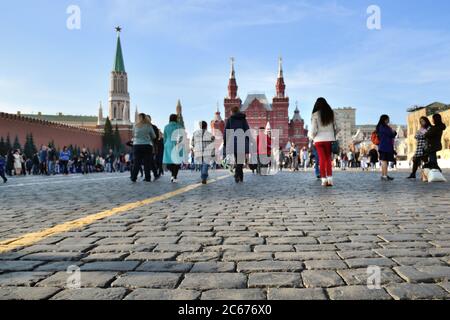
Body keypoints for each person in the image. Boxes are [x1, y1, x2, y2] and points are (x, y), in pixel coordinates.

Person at [309, 97, 336, 187]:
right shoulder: (331, 113)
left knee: (322, 159)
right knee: (328, 159)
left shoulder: (315, 114)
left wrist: (312, 137)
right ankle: (330, 180)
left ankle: (324, 180)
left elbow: (313, 129)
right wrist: (333, 134)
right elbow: (338, 126)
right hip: (329, 139)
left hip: (319, 140)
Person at [223, 106, 251, 183]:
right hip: (242, 141)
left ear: (232, 112)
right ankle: (240, 176)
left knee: (238, 160)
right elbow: (247, 130)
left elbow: (226, 132)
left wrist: (225, 142)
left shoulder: (230, 120)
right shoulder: (243, 119)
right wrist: (249, 140)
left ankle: (237, 175)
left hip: (233, 142)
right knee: (240, 161)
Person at [131, 113, 156, 183]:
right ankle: (148, 178)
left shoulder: (135, 126)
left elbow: (133, 135)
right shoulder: (148, 126)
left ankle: (133, 177)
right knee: (147, 163)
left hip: (137, 146)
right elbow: (154, 136)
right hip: (147, 146)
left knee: (136, 163)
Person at [163, 114, 185, 183]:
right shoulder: (179, 126)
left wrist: (165, 144)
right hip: (177, 144)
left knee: (169, 161)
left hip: (168, 144)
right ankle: (174, 175)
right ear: (176, 119)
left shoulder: (166, 127)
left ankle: (173, 175)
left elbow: (165, 137)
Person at [376, 115, 397, 181]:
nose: (389, 120)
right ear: (385, 119)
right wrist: (394, 132)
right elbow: (391, 134)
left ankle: (384, 175)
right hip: (385, 146)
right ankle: (384, 176)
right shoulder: (384, 127)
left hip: (383, 146)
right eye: (388, 119)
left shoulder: (380, 127)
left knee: (384, 161)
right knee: (384, 161)